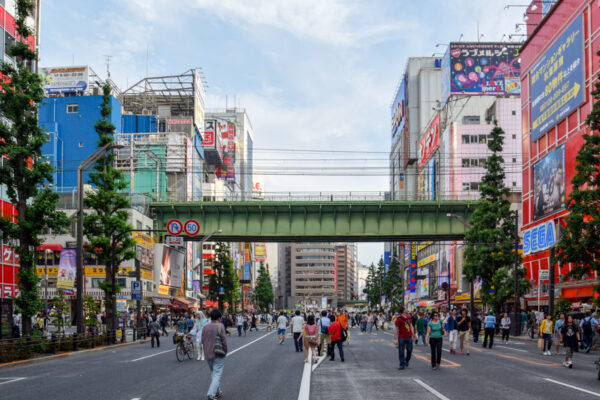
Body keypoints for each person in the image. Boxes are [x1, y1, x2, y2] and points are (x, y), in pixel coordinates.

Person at [202, 309, 227, 400]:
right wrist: (225, 351)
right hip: (218, 353)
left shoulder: (205, 326)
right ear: (219, 318)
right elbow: (224, 341)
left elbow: (202, 340)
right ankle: (211, 394)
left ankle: (217, 392)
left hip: (208, 353)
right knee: (217, 374)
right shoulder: (220, 326)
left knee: (214, 373)